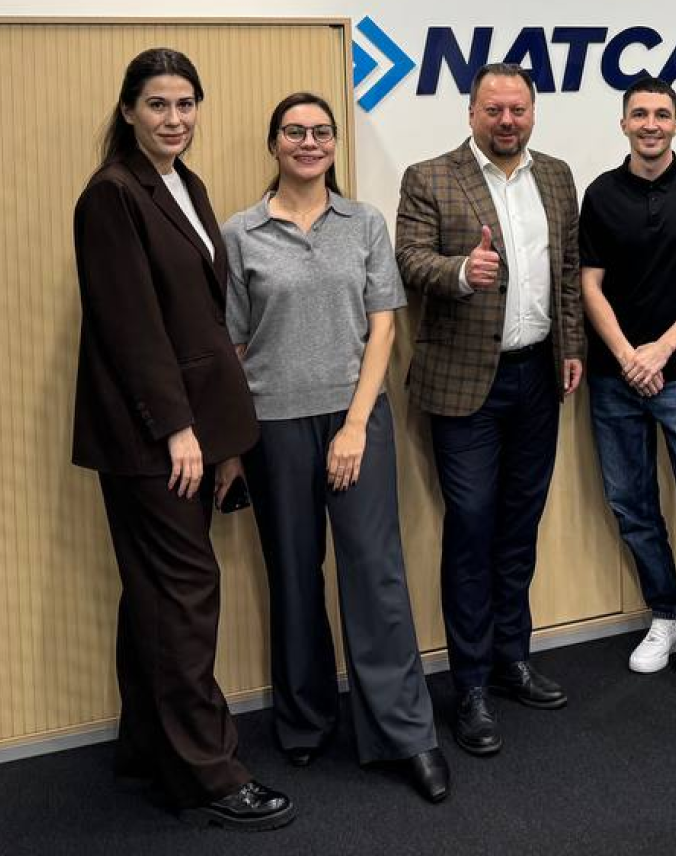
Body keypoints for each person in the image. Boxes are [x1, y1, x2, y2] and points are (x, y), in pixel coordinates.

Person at [71, 48, 294, 831]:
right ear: (128, 110)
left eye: (186, 104)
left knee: (157, 596)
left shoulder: (183, 184)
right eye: (158, 105)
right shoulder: (112, 194)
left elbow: (202, 325)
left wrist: (221, 437)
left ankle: (146, 749)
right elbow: (131, 329)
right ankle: (208, 773)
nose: (174, 119)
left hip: (192, 430)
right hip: (150, 440)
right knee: (184, 598)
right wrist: (178, 432)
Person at [222, 93, 449, 802]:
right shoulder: (240, 233)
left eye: (321, 132)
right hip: (273, 426)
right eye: (294, 131)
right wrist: (232, 444)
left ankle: (405, 734)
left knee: (376, 574)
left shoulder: (365, 223)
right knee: (292, 573)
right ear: (274, 143)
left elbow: (383, 328)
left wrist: (354, 426)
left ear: (333, 145)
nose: (309, 142)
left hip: (357, 419)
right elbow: (233, 345)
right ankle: (305, 722)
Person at [396, 63, 584, 754]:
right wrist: (459, 271)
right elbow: (408, 258)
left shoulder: (556, 176)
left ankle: (513, 659)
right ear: (471, 112)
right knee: (472, 529)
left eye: (518, 110)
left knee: (519, 526)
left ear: (533, 113)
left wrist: (571, 345)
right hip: (464, 385)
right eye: (494, 110)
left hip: (537, 375)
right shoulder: (430, 177)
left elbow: (567, 272)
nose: (507, 121)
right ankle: (470, 685)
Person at [580, 77, 676, 705]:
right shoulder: (600, 194)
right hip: (614, 377)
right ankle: (667, 614)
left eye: (662, 114)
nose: (651, 124)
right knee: (632, 505)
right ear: (623, 123)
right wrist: (628, 356)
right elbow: (589, 285)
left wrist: (662, 350)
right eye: (640, 114)